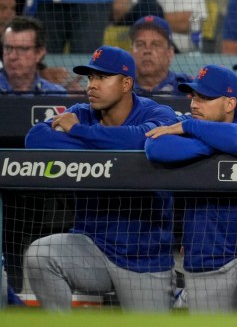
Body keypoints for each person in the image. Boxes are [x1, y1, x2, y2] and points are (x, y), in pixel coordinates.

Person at [23, 45, 178, 311]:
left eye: (102, 77)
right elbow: (35, 137)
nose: (92, 85)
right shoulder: (82, 113)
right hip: (91, 247)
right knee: (40, 254)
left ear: (127, 83)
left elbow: (140, 141)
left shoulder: (157, 114)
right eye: (90, 77)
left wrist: (78, 132)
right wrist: (94, 140)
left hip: (144, 258)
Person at [144, 64, 237, 312]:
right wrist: (216, 142)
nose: (194, 104)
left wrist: (193, 130)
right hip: (204, 260)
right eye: (193, 96)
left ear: (229, 104)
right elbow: (154, 148)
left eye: (205, 98)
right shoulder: (185, 123)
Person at [0, 15, 65, 93]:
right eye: (8, 48)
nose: (12, 56)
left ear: (39, 53)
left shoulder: (56, 95)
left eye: (22, 49)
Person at [130, 15, 191, 96]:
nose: (147, 50)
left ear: (170, 53)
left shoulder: (188, 88)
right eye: (140, 44)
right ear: (131, 53)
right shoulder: (120, 90)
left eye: (155, 44)